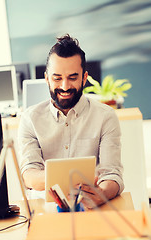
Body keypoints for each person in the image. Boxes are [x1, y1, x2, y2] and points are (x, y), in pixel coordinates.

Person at [18, 34, 124, 209]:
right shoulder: (30, 118)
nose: (65, 86)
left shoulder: (106, 116)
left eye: (73, 78)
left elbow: (112, 175)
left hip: (92, 208)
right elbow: (29, 175)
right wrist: (68, 179)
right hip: (46, 210)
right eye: (57, 78)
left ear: (84, 77)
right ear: (47, 78)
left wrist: (102, 193)